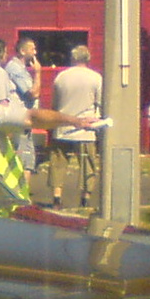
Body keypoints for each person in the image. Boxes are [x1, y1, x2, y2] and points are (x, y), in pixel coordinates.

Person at [48, 45, 104, 208]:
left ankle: (57, 196)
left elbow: (55, 103)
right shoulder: (96, 78)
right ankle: (85, 197)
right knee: (88, 163)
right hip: (86, 128)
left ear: (72, 58)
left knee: (58, 162)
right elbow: (99, 102)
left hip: (63, 124)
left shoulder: (61, 77)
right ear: (88, 59)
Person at [3, 37, 40, 173]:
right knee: (22, 162)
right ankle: (18, 193)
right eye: (32, 49)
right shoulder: (16, 69)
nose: (35, 52)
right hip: (20, 119)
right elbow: (33, 93)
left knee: (27, 162)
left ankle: (23, 193)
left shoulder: (19, 68)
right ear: (23, 51)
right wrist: (38, 73)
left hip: (24, 121)